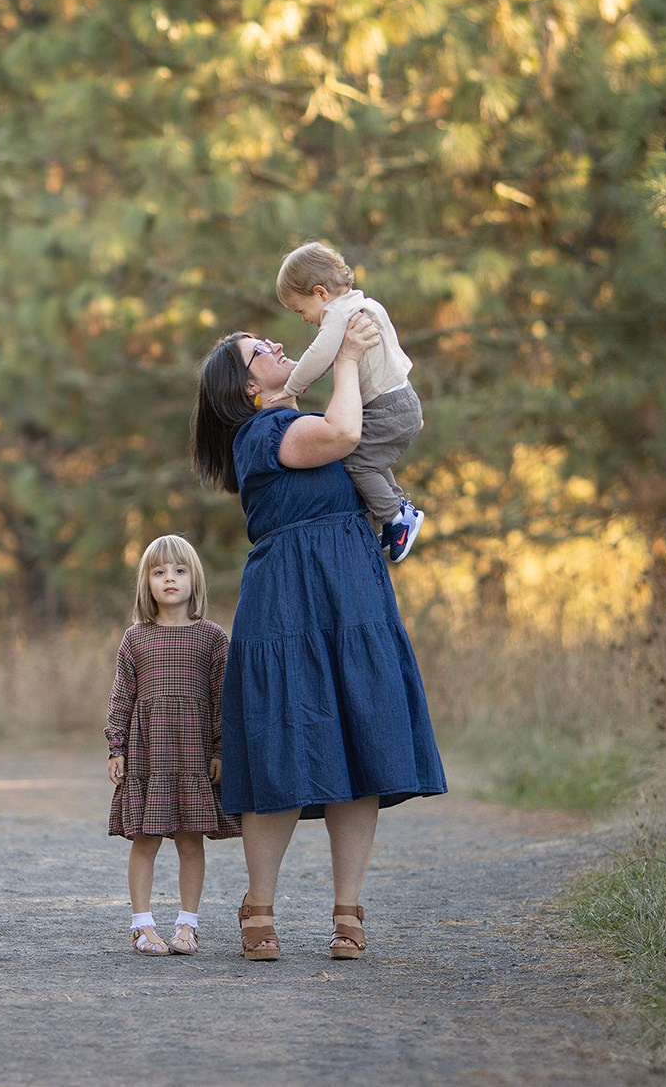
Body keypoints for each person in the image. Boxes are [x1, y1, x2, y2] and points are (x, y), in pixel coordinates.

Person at [191, 313, 447, 961]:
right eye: (261, 352)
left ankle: (348, 910)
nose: (279, 345)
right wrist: (346, 359)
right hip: (288, 602)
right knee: (283, 750)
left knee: (360, 750)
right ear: (248, 389)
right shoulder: (263, 431)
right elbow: (341, 432)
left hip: (351, 590)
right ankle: (260, 904)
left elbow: (372, 432)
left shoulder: (291, 417)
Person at [104, 534, 239, 957]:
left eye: (179, 571)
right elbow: (122, 694)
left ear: (194, 580)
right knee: (145, 838)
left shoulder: (213, 638)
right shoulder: (135, 638)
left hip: (193, 753)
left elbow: (223, 697)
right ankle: (142, 926)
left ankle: (188, 925)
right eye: (159, 572)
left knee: (189, 839)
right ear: (146, 582)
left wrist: (220, 749)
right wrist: (117, 746)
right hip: (149, 754)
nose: (169, 579)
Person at [272, 241, 425, 563]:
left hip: (387, 405)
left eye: (301, 310)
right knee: (368, 457)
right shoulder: (367, 305)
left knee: (356, 461)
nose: (303, 319)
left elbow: (319, 356)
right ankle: (397, 508)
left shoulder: (339, 315)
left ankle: (395, 517)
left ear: (320, 293)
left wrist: (291, 387)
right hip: (400, 397)